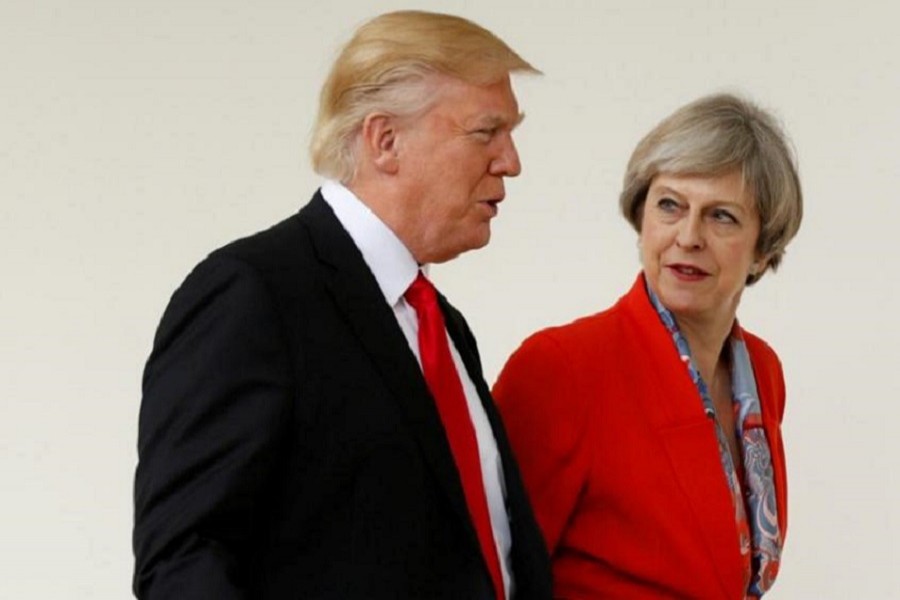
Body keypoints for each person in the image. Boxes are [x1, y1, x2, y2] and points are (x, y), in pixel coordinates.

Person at [133, 10, 551, 599]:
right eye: (486, 132)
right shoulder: (252, 294)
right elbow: (184, 560)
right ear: (385, 141)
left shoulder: (443, 327)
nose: (511, 161)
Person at [493, 93, 802, 599]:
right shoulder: (561, 368)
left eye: (721, 216)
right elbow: (494, 579)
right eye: (669, 205)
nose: (688, 236)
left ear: (763, 252)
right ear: (641, 220)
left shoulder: (762, 370)